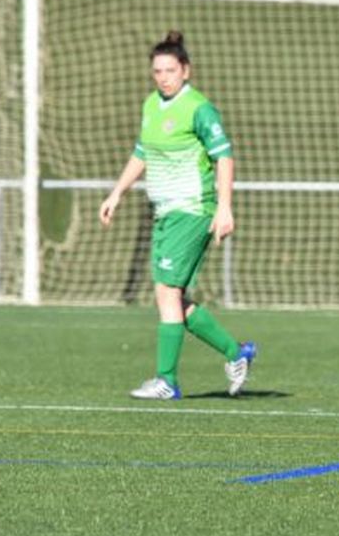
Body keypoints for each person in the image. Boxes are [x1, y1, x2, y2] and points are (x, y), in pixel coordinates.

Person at [99, 30, 256, 400]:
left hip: (193, 209)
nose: (163, 77)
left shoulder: (199, 108)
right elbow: (142, 153)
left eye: (170, 70)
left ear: (185, 70)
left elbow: (224, 157)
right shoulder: (151, 105)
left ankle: (166, 380)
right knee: (171, 297)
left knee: (167, 292)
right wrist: (116, 193)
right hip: (166, 213)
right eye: (157, 71)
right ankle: (237, 353)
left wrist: (224, 207)